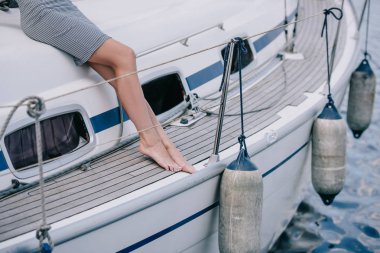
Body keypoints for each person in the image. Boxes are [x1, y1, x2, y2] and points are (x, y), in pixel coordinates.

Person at [16, 0, 195, 173]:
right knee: (125, 56)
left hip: (64, 6)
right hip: (42, 12)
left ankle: (164, 141)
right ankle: (150, 141)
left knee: (120, 73)